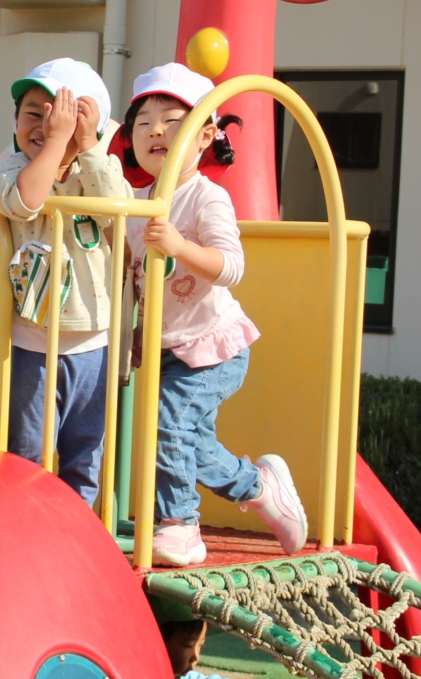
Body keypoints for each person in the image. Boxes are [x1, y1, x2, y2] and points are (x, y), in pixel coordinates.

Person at [117, 62, 307, 567]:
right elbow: (139, 279)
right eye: (143, 123)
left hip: (213, 345)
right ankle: (259, 487)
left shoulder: (206, 197)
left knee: (169, 426)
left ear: (204, 136)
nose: (156, 131)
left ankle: (180, 524)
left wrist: (180, 245)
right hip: (166, 347)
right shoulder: (138, 204)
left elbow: (231, 267)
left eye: (171, 121)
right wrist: (136, 332)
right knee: (188, 440)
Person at [0, 57, 130, 507]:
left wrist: (87, 147)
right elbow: (26, 201)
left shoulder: (99, 171)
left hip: (92, 338)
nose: (48, 124)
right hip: (29, 338)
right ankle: (23, 527)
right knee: (25, 452)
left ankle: (76, 531)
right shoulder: (8, 168)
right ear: (14, 121)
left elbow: (118, 214)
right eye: (34, 113)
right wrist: (57, 141)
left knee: (86, 452)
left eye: (66, 115)